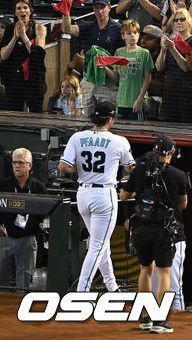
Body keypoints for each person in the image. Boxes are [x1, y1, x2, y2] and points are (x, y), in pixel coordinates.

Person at [58, 101, 135, 292]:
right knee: (98, 246)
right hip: (104, 194)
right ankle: (81, 292)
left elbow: (63, 166)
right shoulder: (119, 140)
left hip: (83, 193)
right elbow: (130, 167)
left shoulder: (78, 137)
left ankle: (112, 287)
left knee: (100, 243)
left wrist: (80, 168)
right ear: (110, 119)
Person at [120, 135, 188, 333]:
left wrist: (140, 194)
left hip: (141, 227)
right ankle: (159, 320)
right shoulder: (178, 175)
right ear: (172, 153)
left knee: (145, 270)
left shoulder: (140, 169)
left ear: (155, 150)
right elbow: (183, 204)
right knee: (164, 272)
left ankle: (145, 317)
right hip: (163, 229)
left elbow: (124, 195)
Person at [62, 0, 124, 116]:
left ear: (109, 8)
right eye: (97, 8)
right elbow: (67, 29)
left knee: (107, 115)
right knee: (87, 115)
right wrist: (66, 9)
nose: (100, 11)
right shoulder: (89, 26)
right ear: (93, 9)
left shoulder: (118, 29)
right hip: (89, 78)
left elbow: (122, 54)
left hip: (108, 80)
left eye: (103, 7)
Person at [0, 148, 46, 290]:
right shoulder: (3, 185)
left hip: (27, 240)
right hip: (5, 239)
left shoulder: (38, 187)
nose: (17, 166)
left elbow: (42, 214)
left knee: (25, 285)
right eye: (14, 163)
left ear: (29, 165)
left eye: (20, 163)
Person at [0, 0, 47, 112]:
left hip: (33, 80)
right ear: (15, 13)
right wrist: (15, 38)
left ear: (30, 11)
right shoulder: (10, 30)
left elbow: (39, 54)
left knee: (36, 114)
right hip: (14, 81)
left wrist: (24, 36)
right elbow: (3, 55)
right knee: (15, 114)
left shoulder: (39, 28)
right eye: (19, 8)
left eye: (25, 7)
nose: (22, 10)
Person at [110, 20, 154, 121]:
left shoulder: (144, 53)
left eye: (135, 32)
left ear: (139, 35)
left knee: (137, 131)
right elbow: (116, 77)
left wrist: (140, 100)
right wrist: (104, 66)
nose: (132, 35)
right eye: (129, 33)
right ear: (123, 36)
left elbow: (148, 78)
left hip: (137, 101)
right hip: (122, 101)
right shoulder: (119, 52)